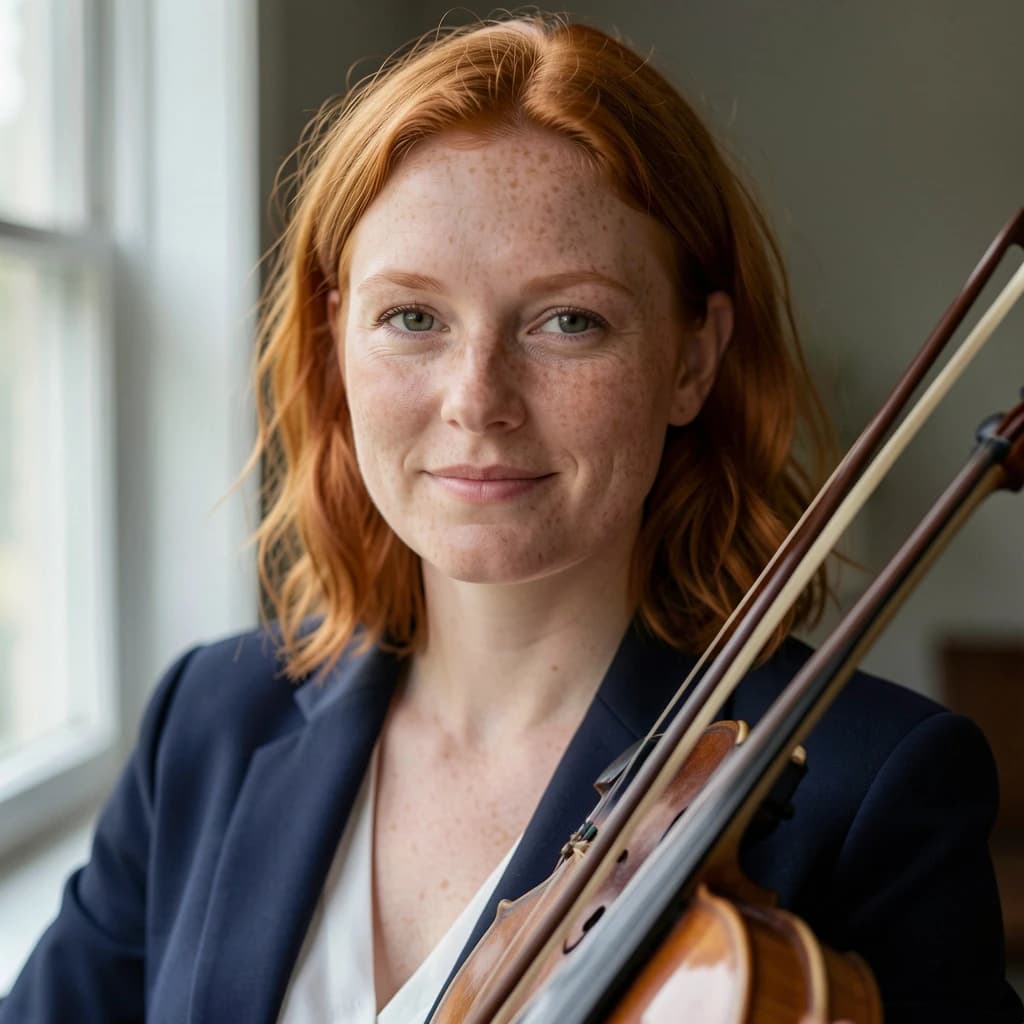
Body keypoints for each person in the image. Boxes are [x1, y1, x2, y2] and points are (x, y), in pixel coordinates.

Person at [1, 13, 1020, 1023]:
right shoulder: (213, 719)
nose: (475, 397)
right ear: (333, 345)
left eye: (567, 320)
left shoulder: (867, 788)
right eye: (412, 317)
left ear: (692, 359)